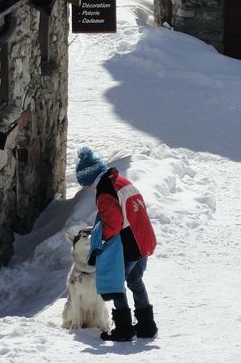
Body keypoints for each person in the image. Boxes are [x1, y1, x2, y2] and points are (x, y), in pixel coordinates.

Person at [76, 146, 158, 341]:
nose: (89, 189)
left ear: (90, 178)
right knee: (135, 280)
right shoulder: (121, 181)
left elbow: (113, 223)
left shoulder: (105, 190)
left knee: (116, 283)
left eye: (87, 184)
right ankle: (147, 326)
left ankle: (124, 329)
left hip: (130, 243)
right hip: (144, 238)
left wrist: (98, 240)